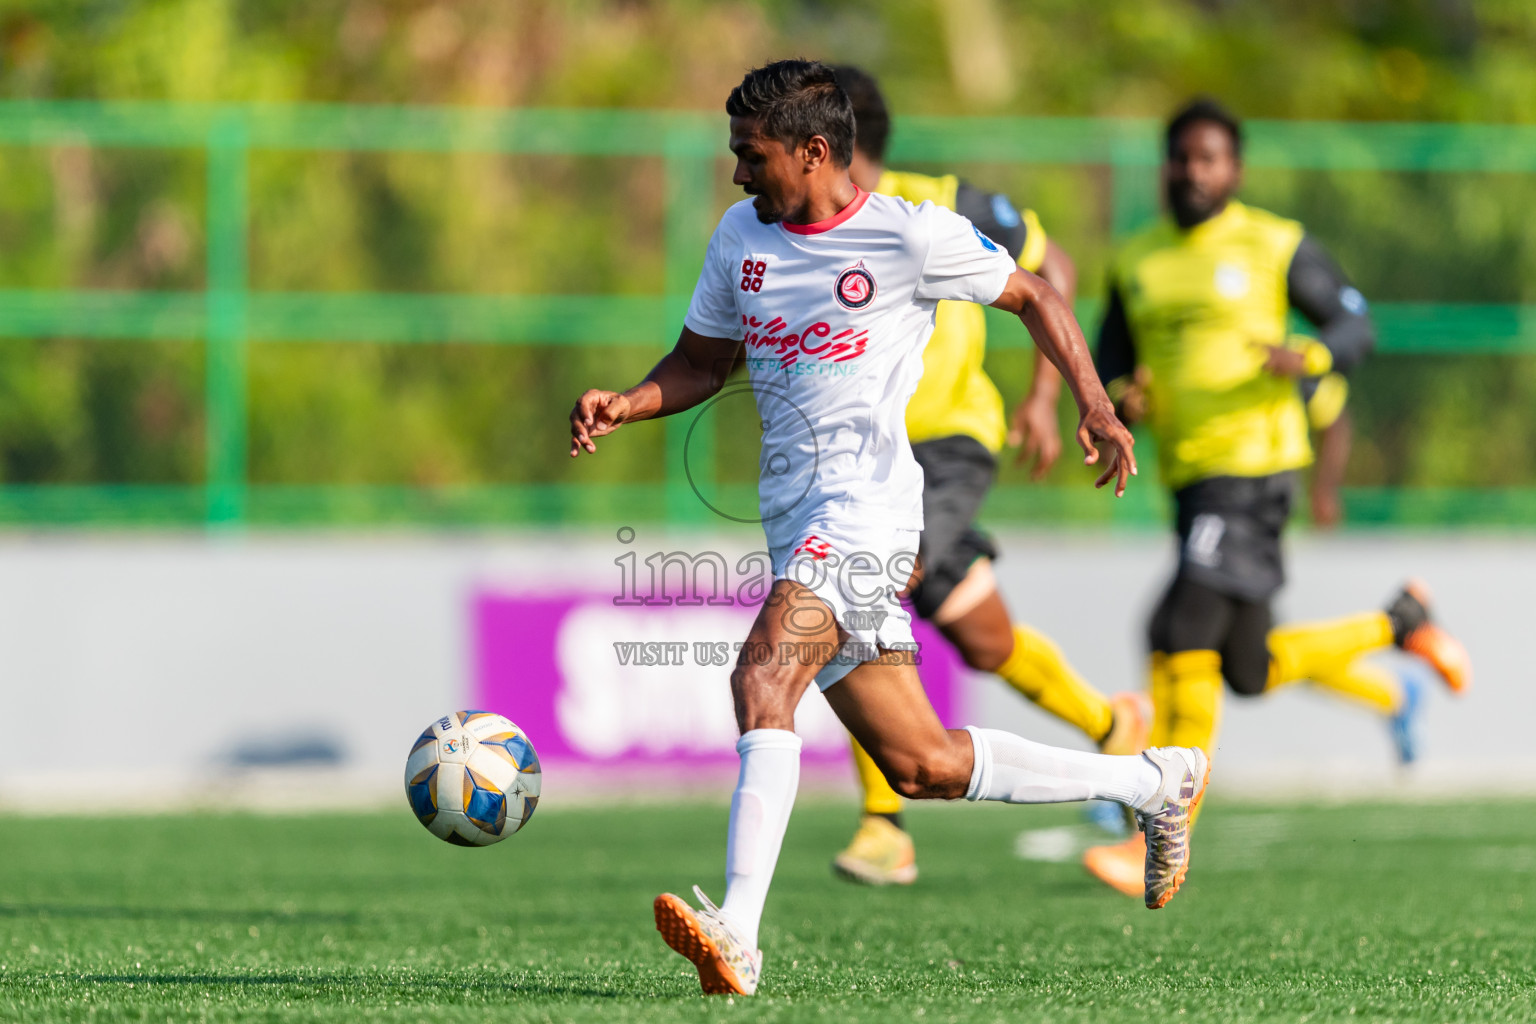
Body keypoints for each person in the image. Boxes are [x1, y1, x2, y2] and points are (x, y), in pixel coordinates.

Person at [568, 60, 1210, 997]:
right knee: (922, 766)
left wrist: (1093, 405)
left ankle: (736, 932)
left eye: (752, 156)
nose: (738, 174)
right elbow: (704, 363)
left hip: (868, 516)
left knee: (761, 674)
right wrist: (628, 402)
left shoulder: (908, 237)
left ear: (814, 151)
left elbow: (1035, 292)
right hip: (796, 526)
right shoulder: (740, 237)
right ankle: (1155, 783)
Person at [1080, 97, 1470, 898]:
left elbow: (1356, 324)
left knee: (1176, 624)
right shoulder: (1138, 259)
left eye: (1210, 158)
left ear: (1236, 168)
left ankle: (1161, 828)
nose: (1194, 171)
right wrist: (1127, 395)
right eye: (1181, 158)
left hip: (1255, 473)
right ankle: (1399, 622)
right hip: (1190, 480)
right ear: (1166, 165)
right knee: (1248, 668)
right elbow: (1111, 359)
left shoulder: (1274, 243)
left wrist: (1314, 355)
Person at [825, 65, 1149, 886]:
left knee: (866, 584)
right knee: (981, 635)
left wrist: (1046, 396)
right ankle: (1111, 724)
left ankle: (883, 823)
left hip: (946, 445)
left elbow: (1056, 271)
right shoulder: (801, 230)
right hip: (864, 454)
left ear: (836, 148)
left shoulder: (941, 206)